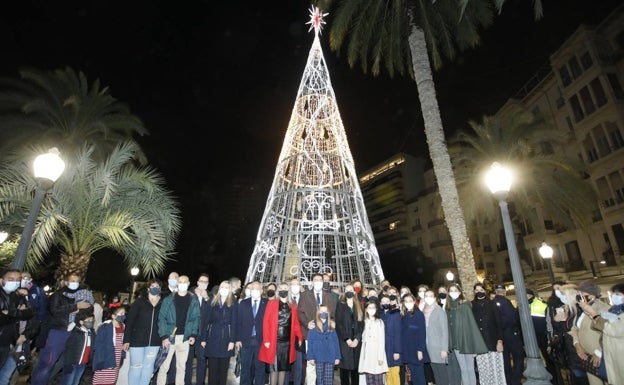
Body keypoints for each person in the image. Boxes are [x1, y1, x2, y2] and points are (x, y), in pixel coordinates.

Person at [31, 274, 93, 385]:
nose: (75, 283)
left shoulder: (83, 295)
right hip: (59, 332)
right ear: (66, 282)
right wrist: (75, 307)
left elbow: (89, 311)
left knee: (69, 364)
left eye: (77, 281)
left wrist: (82, 308)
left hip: (75, 333)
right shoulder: (57, 295)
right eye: (72, 280)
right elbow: (54, 311)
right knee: (48, 363)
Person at [157, 275, 200, 385]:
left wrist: (193, 334)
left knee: (181, 367)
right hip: (170, 337)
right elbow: (161, 318)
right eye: (180, 281)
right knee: (164, 367)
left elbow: (196, 318)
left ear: (189, 283)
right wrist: (164, 336)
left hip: (184, 338)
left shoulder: (193, 299)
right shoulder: (169, 299)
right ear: (177, 283)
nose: (182, 283)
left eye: (185, 281)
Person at [578, 282, 624, 384]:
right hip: (610, 354)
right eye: (612, 294)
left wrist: (594, 315)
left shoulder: (606, 308)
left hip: (618, 355)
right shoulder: (614, 310)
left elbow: (612, 329)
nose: (613, 296)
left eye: (618, 294)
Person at [259, 282, 303, 385]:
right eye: (281, 288)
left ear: (288, 290)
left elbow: (296, 324)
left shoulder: (292, 306)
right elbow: (266, 322)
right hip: (275, 340)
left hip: (287, 342)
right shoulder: (272, 303)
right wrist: (266, 339)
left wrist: (300, 337)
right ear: (278, 290)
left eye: (285, 288)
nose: (283, 290)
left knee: (283, 368)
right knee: (274, 368)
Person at [298, 273, 337, 385]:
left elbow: (333, 312)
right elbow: (300, 313)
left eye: (320, 279)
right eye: (316, 279)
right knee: (311, 364)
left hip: (326, 335)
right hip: (311, 334)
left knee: (325, 363)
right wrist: (307, 324)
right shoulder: (305, 295)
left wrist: (332, 321)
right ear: (312, 282)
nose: (318, 281)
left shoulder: (329, 296)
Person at [122, 278, 164, 385]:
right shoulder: (139, 302)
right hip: (137, 341)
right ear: (148, 288)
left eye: (157, 287)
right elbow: (130, 321)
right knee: (136, 367)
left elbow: (165, 322)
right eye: (153, 286)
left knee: (148, 368)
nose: (155, 288)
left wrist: (164, 337)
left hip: (154, 342)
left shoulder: (163, 303)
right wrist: (126, 339)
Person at [446, 283, 487, 385]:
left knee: (469, 368)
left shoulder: (465, 305)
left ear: (459, 292)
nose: (453, 293)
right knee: (463, 369)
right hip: (456, 343)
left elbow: (471, 326)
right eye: (451, 291)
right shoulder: (448, 308)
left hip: (466, 342)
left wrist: (474, 347)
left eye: (455, 290)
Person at [0, 269, 35, 385]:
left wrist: (9, 312)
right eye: (11, 279)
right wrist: (17, 313)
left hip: (8, 343)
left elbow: (30, 313)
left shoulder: (18, 297)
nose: (15, 283)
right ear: (1, 281)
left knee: (4, 376)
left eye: (17, 280)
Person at [571, 281, 610, 385]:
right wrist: (577, 345)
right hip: (587, 357)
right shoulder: (581, 310)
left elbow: (608, 332)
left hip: (601, 356)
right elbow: (575, 328)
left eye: (581, 294)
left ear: (591, 296)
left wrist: (599, 352)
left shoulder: (604, 308)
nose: (579, 297)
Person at [201, 280, 238, 385]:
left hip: (226, 339)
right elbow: (206, 321)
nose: (224, 290)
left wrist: (232, 341)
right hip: (212, 338)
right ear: (219, 289)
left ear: (230, 290)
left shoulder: (233, 302)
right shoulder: (213, 301)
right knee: (212, 370)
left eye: (227, 288)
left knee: (223, 370)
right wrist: (203, 338)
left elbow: (235, 323)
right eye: (223, 287)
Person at [471, 283, 505, 385]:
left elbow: (499, 324)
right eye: (476, 290)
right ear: (474, 292)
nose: (479, 292)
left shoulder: (492, 304)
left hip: (493, 343)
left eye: (481, 290)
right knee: (484, 373)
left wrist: (500, 341)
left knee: (496, 371)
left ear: (485, 291)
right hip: (480, 345)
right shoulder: (471, 306)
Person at [235, 281, 268, 385]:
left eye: (257, 288)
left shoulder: (267, 303)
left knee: (260, 368)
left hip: (261, 340)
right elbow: (238, 322)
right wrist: (238, 339)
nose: (255, 291)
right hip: (245, 340)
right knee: (245, 367)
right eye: (253, 288)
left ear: (261, 290)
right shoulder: (243, 303)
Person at [492, 283, 524, 385]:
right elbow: (512, 319)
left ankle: (508, 380)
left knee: (505, 360)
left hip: (499, 336)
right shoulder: (506, 302)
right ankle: (515, 380)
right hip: (510, 333)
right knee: (519, 356)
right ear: (504, 292)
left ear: (496, 291)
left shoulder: (492, 303)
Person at [335, 284, 364, 385]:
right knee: (345, 369)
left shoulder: (359, 305)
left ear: (354, 292)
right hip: (344, 340)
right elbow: (338, 324)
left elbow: (361, 324)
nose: (348, 291)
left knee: (355, 368)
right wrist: (347, 339)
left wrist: (357, 338)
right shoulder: (340, 305)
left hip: (356, 340)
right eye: (346, 290)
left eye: (350, 290)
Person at [186, 273, 212, 385]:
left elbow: (213, 313)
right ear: (197, 282)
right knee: (188, 360)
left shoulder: (210, 296)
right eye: (201, 281)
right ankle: (186, 382)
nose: (203, 283)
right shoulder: (189, 294)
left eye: (205, 282)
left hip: (202, 335)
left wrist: (206, 298)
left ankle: (200, 382)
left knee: (202, 361)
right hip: (189, 333)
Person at [305, 305, 340, 385]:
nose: (323, 313)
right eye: (321, 311)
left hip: (330, 356)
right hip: (318, 356)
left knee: (328, 379)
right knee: (319, 379)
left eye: (325, 311)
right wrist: (310, 357)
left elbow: (336, 342)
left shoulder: (331, 326)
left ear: (328, 313)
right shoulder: (313, 326)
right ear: (318, 313)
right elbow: (310, 342)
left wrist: (337, 357)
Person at [422, 289, 451, 385]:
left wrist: (444, 349)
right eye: (426, 296)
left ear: (435, 298)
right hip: (428, 347)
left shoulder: (439, 311)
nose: (428, 298)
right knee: (436, 375)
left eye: (431, 296)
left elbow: (444, 331)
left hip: (438, 348)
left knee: (442, 375)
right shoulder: (423, 311)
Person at [58, 310, 95, 385]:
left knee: (76, 381)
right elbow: (68, 349)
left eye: (92, 320)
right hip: (72, 363)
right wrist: (67, 363)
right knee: (68, 381)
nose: (90, 322)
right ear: (81, 322)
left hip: (83, 363)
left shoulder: (91, 333)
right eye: (88, 320)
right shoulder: (76, 333)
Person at [92, 306, 126, 385]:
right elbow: (99, 344)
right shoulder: (105, 327)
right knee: (102, 377)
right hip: (106, 356)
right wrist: (99, 360)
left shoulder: (123, 327)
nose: (123, 315)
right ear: (113, 316)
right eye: (121, 313)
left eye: (124, 313)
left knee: (112, 378)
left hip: (117, 357)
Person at [401, 293, 429, 385]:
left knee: (420, 376)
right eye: (406, 301)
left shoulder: (418, 314)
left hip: (417, 349)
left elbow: (422, 333)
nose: (408, 303)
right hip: (408, 350)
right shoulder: (405, 315)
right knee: (414, 376)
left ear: (414, 302)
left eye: (410, 301)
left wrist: (420, 349)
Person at [358, 299, 388, 385]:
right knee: (369, 380)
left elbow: (382, 340)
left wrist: (380, 357)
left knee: (378, 380)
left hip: (377, 354)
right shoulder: (364, 322)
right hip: (367, 355)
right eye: (369, 307)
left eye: (373, 307)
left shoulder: (379, 322)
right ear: (366, 309)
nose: (371, 309)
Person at [545, 280, 568, 385]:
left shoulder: (570, 301)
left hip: (571, 336)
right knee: (561, 365)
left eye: (558, 288)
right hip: (559, 338)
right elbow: (549, 321)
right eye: (554, 289)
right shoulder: (551, 304)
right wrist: (551, 338)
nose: (556, 291)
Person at [378, 294, 400, 385]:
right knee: (387, 373)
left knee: (395, 373)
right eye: (383, 302)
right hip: (384, 348)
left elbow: (398, 333)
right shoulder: (380, 315)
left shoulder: (395, 314)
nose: (385, 303)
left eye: (387, 301)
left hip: (393, 347)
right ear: (380, 303)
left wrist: (397, 351)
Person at [287, 277, 305, 385]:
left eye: (297, 284)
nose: (295, 286)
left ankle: (298, 382)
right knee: (287, 362)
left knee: (299, 363)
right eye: (293, 284)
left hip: (300, 335)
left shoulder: (304, 298)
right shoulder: (286, 299)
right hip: (287, 336)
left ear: (300, 286)